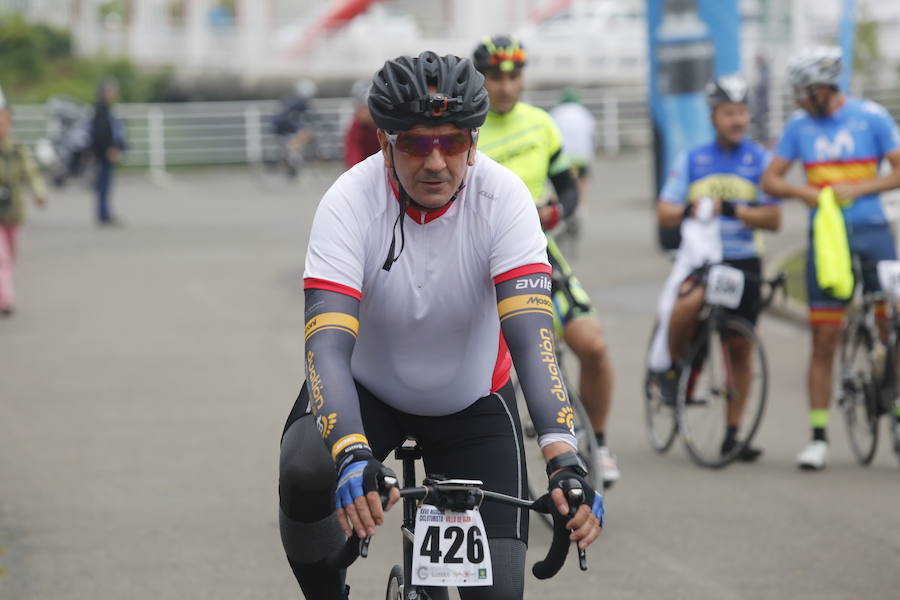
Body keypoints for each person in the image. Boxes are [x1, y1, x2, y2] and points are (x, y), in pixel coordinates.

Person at [277, 52, 604, 600]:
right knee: (307, 468)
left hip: (471, 400)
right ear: (385, 143)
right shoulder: (347, 203)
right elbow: (327, 347)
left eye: (452, 142)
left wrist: (564, 458)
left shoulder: (504, 201)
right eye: (415, 143)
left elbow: (533, 341)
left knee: (498, 595)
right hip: (367, 392)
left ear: (474, 143)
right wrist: (353, 452)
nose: (435, 163)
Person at [472, 35, 620, 486]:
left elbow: (569, 187)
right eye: (495, 77)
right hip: (482, 257)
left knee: (592, 346)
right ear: (482, 80)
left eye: (513, 77)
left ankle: (600, 441)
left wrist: (556, 211)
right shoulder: (469, 128)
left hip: (538, 250)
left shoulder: (540, 124)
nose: (504, 86)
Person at [761, 47, 900, 470]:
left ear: (823, 89)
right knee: (824, 338)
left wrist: (856, 191)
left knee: (891, 326)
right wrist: (803, 193)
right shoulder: (799, 127)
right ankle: (818, 436)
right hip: (825, 241)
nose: (798, 100)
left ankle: (895, 409)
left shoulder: (871, 117)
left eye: (803, 92)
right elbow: (771, 178)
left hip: (873, 234)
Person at [656, 75, 782, 460]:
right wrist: (690, 209)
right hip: (704, 259)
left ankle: (732, 433)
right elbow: (664, 213)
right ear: (714, 117)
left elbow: (774, 219)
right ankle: (673, 369)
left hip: (743, 261)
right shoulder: (693, 160)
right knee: (687, 307)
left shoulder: (760, 160)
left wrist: (734, 211)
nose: (738, 121)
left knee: (740, 347)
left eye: (743, 113)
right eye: (730, 113)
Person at [0, 92, 48, 316]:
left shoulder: (17, 149)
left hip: (13, 211)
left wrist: (39, 193)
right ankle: (5, 299)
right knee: (2, 257)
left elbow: (31, 174)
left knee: (10, 253)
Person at [90, 78, 126, 226]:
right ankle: (103, 214)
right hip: (104, 155)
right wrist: (109, 149)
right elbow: (100, 133)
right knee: (103, 185)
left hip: (104, 153)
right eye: (112, 91)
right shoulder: (101, 110)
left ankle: (104, 213)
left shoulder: (103, 109)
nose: (114, 94)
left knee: (105, 185)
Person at [550, 86, 595, 199]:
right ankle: (581, 207)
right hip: (581, 155)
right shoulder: (584, 113)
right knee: (582, 180)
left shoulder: (556, 113)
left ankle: (562, 206)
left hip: (563, 156)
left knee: (561, 184)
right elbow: (591, 133)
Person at [272, 79, 317, 177]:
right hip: (282, 124)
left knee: (301, 134)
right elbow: (311, 116)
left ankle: (292, 158)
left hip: (279, 124)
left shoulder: (291, 99)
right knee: (305, 134)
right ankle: (292, 157)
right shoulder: (299, 102)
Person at [342, 80, 380, 169]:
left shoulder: (387, 126)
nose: (358, 113)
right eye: (357, 108)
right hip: (367, 171)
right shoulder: (356, 126)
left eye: (363, 108)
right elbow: (353, 157)